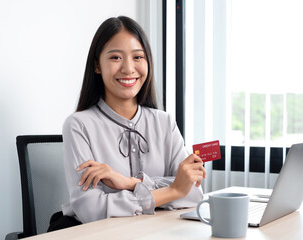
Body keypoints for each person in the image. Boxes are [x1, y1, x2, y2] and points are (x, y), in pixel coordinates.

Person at [52, 16, 206, 229]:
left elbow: (194, 194)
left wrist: (129, 183)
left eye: (137, 57)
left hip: (155, 233)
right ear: (97, 65)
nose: (128, 68)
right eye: (115, 57)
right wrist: (171, 191)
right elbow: (91, 210)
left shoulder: (165, 122)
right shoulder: (78, 125)